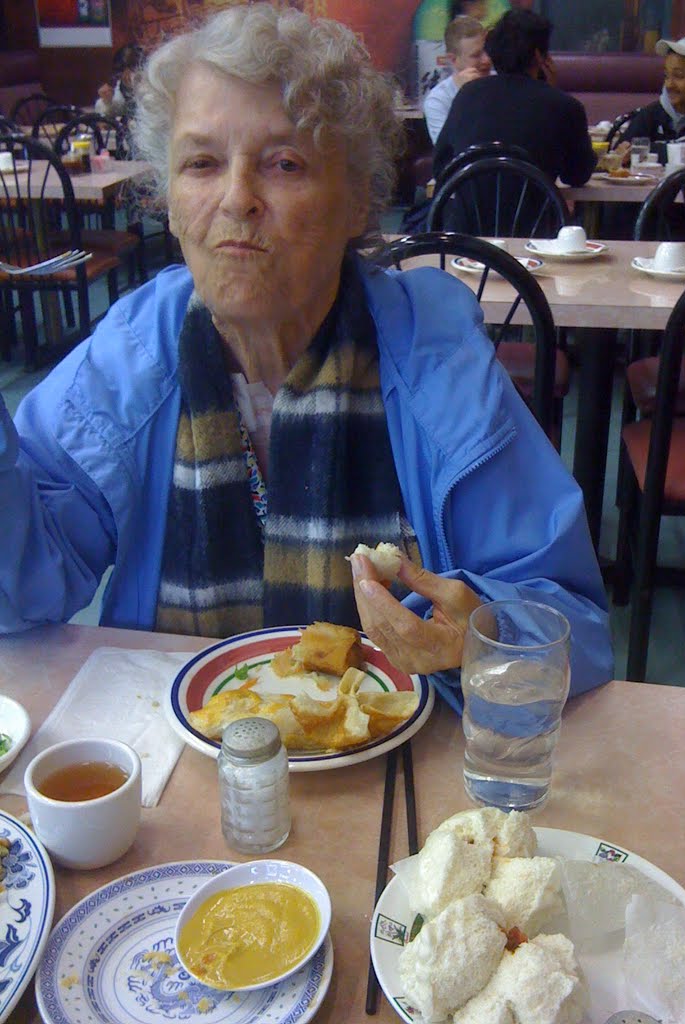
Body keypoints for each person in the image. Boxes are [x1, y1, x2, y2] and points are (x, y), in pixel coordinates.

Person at [0, 4, 612, 710]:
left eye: (283, 163)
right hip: (181, 765)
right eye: (201, 162)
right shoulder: (130, 358)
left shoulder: (436, 366)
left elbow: (576, 623)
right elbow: (24, 591)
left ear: (358, 202)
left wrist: (482, 632)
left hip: (393, 773)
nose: (236, 199)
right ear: (167, 199)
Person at [433, 8, 596, 188]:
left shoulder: (467, 94)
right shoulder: (565, 106)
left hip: (466, 215)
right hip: (534, 215)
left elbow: (441, 166)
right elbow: (576, 176)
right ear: (539, 56)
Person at [423, 16, 492, 144]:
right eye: (476, 55)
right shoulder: (437, 100)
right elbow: (447, 149)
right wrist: (465, 97)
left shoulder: (500, 84)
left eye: (487, 51)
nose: (486, 60)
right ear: (453, 59)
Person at [95, 42, 142, 119]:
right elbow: (107, 117)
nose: (127, 76)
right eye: (122, 70)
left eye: (132, 68)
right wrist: (107, 102)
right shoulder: (119, 89)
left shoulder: (151, 88)